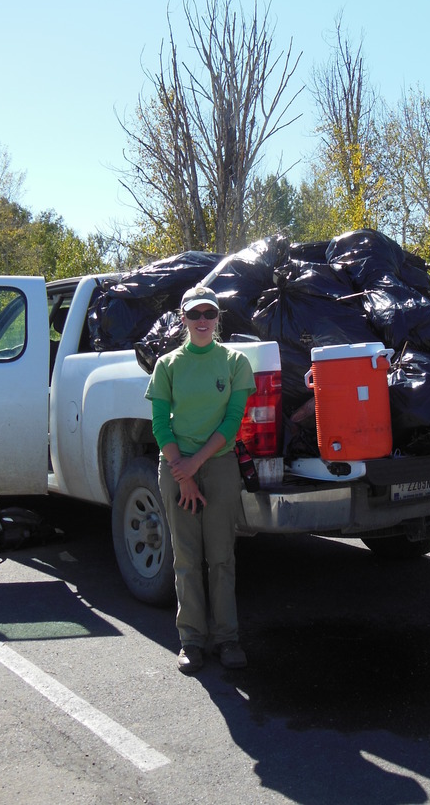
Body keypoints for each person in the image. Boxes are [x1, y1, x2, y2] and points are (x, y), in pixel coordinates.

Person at [145, 285, 256, 674]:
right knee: (187, 558)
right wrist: (183, 472)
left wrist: (197, 465)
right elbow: (160, 424)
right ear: (183, 319)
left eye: (209, 313)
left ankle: (227, 639)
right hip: (175, 467)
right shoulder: (167, 364)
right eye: (195, 314)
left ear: (217, 318)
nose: (203, 321)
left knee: (221, 557)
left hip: (220, 465)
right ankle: (191, 640)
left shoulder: (235, 362)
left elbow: (232, 421)